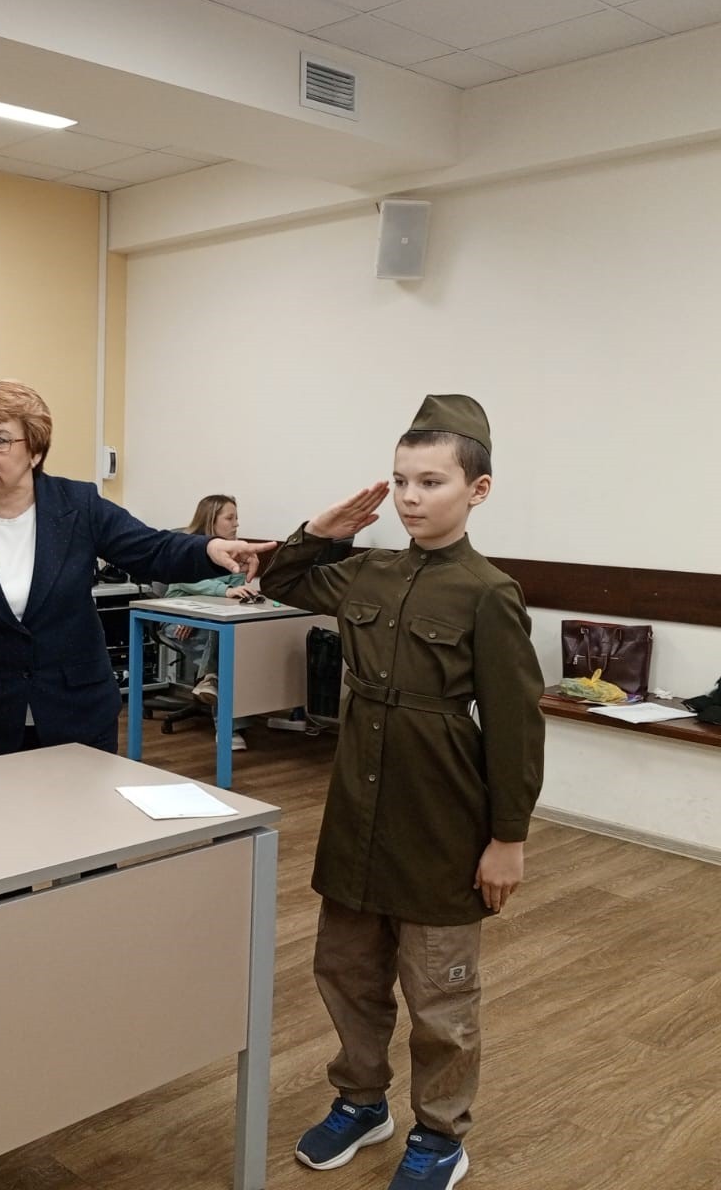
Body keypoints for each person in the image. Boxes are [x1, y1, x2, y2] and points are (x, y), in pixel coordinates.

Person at [263, 395, 544, 1190]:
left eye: (431, 481)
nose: (411, 498)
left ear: (477, 491)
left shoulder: (489, 592)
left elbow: (517, 726)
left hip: (440, 824)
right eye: (400, 481)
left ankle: (441, 1136)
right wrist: (322, 529)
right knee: (345, 970)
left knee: (439, 998)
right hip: (357, 816)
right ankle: (361, 1102)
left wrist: (508, 838)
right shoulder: (369, 570)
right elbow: (281, 579)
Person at [0, 380, 274, 762]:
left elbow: (153, 548)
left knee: (81, 816)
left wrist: (210, 547)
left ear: (35, 451)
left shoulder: (79, 506)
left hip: (78, 709)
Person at [164, 494, 263, 749]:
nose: (236, 524)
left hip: (212, 621)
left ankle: (210, 680)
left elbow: (236, 588)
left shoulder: (236, 553)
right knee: (225, 648)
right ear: (211, 520)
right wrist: (201, 608)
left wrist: (238, 592)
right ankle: (228, 729)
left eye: (237, 518)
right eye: (230, 518)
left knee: (229, 639)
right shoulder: (186, 546)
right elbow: (190, 581)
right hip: (178, 621)